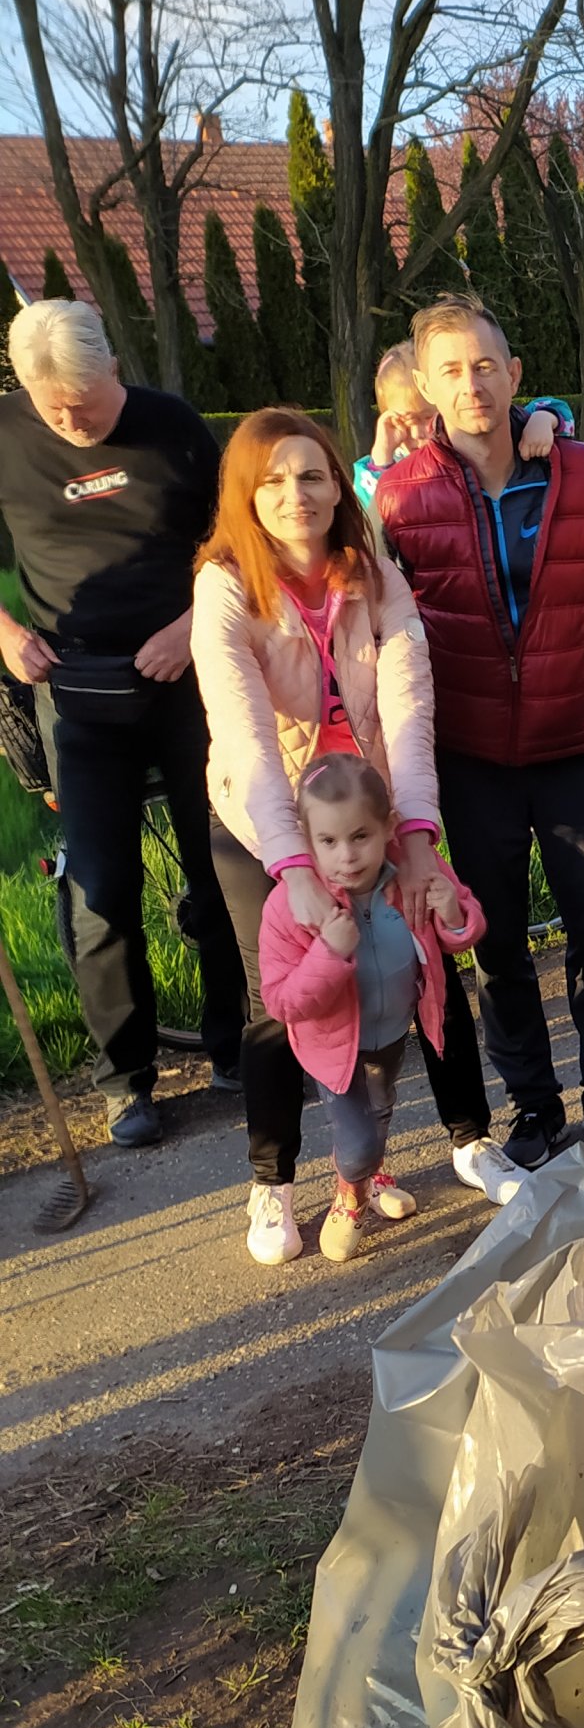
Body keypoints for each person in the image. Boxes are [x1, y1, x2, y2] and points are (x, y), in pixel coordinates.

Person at [192, 406, 524, 1263]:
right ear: (245, 496)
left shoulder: (374, 575)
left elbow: (411, 706)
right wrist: (293, 865)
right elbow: (242, 732)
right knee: (280, 999)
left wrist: (415, 836)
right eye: (272, 481)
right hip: (265, 820)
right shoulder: (225, 586)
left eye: (311, 475)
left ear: (339, 483)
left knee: (426, 960)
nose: (295, 495)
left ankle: (468, 1136)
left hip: (373, 813)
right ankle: (273, 1185)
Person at [376, 295, 584, 1171]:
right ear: (426, 385)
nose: (473, 386)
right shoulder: (400, 495)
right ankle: (534, 1106)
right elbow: (391, 624)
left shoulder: (579, 470)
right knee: (495, 946)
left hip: (572, 744)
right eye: (452, 371)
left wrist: (560, 653)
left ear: (516, 375)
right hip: (470, 760)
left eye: (487, 366)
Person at [0, 297, 245, 1145]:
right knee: (101, 893)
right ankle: (126, 1081)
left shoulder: (172, 427)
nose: (71, 420)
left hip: (190, 680)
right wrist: (3, 635)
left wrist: (190, 629)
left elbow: (235, 539)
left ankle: (235, 1046)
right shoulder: (4, 438)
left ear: (113, 369)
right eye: (51, 407)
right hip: (76, 695)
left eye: (86, 403)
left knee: (221, 864)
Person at [356, 345, 584, 816]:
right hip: (464, 675)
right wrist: (382, 454)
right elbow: (372, 532)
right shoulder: (390, 474)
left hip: (552, 651)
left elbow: (558, 410)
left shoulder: (511, 435)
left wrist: (542, 422)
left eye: (425, 418)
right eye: (402, 419)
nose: (419, 431)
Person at [259, 755, 484, 1262]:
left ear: (389, 827)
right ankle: (351, 1193)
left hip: (394, 1030)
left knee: (379, 1112)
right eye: (328, 841)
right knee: (357, 1136)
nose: (347, 856)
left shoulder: (412, 872)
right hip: (332, 1050)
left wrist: (453, 913)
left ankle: (372, 1171)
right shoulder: (291, 906)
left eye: (361, 836)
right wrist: (329, 953)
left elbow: (462, 931)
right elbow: (282, 1001)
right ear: (305, 839)